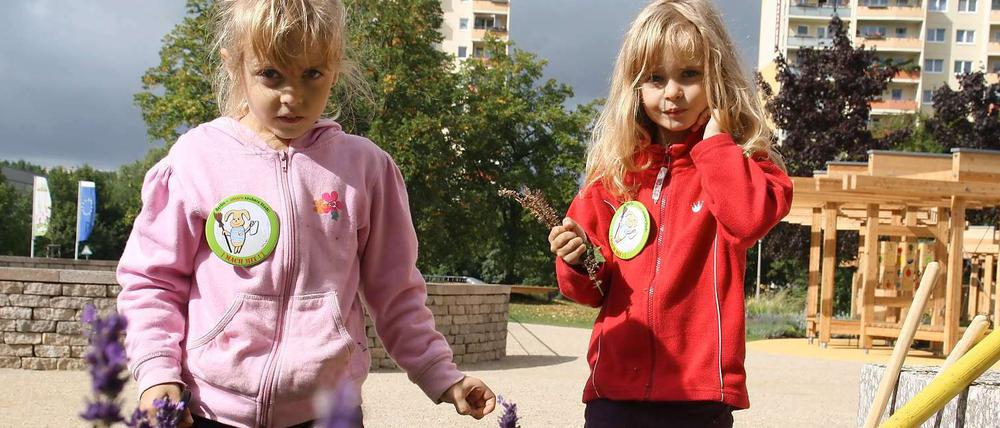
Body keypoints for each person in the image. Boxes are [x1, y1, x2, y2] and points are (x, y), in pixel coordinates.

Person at [116, 1, 494, 426]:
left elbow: (397, 292)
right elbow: (152, 281)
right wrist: (156, 374)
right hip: (210, 410)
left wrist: (442, 376)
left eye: (312, 74)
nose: (292, 97)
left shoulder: (365, 169)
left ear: (335, 68)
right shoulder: (196, 160)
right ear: (235, 64)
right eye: (271, 74)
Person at [547, 1, 793, 427]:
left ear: (718, 79)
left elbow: (750, 219)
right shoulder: (615, 175)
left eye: (690, 75)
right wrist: (576, 257)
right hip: (615, 391)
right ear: (635, 87)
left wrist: (717, 147)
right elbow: (590, 290)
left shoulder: (744, 164)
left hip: (698, 396)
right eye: (656, 78)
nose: (672, 92)